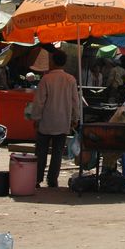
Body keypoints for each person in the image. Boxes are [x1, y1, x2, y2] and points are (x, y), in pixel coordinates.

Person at [31, 50, 80, 188]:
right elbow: (75, 102)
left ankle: (37, 179)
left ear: (52, 61)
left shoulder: (46, 79)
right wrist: (75, 118)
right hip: (63, 121)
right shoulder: (71, 79)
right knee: (57, 153)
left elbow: (39, 102)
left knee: (41, 152)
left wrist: (36, 118)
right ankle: (52, 180)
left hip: (46, 121)